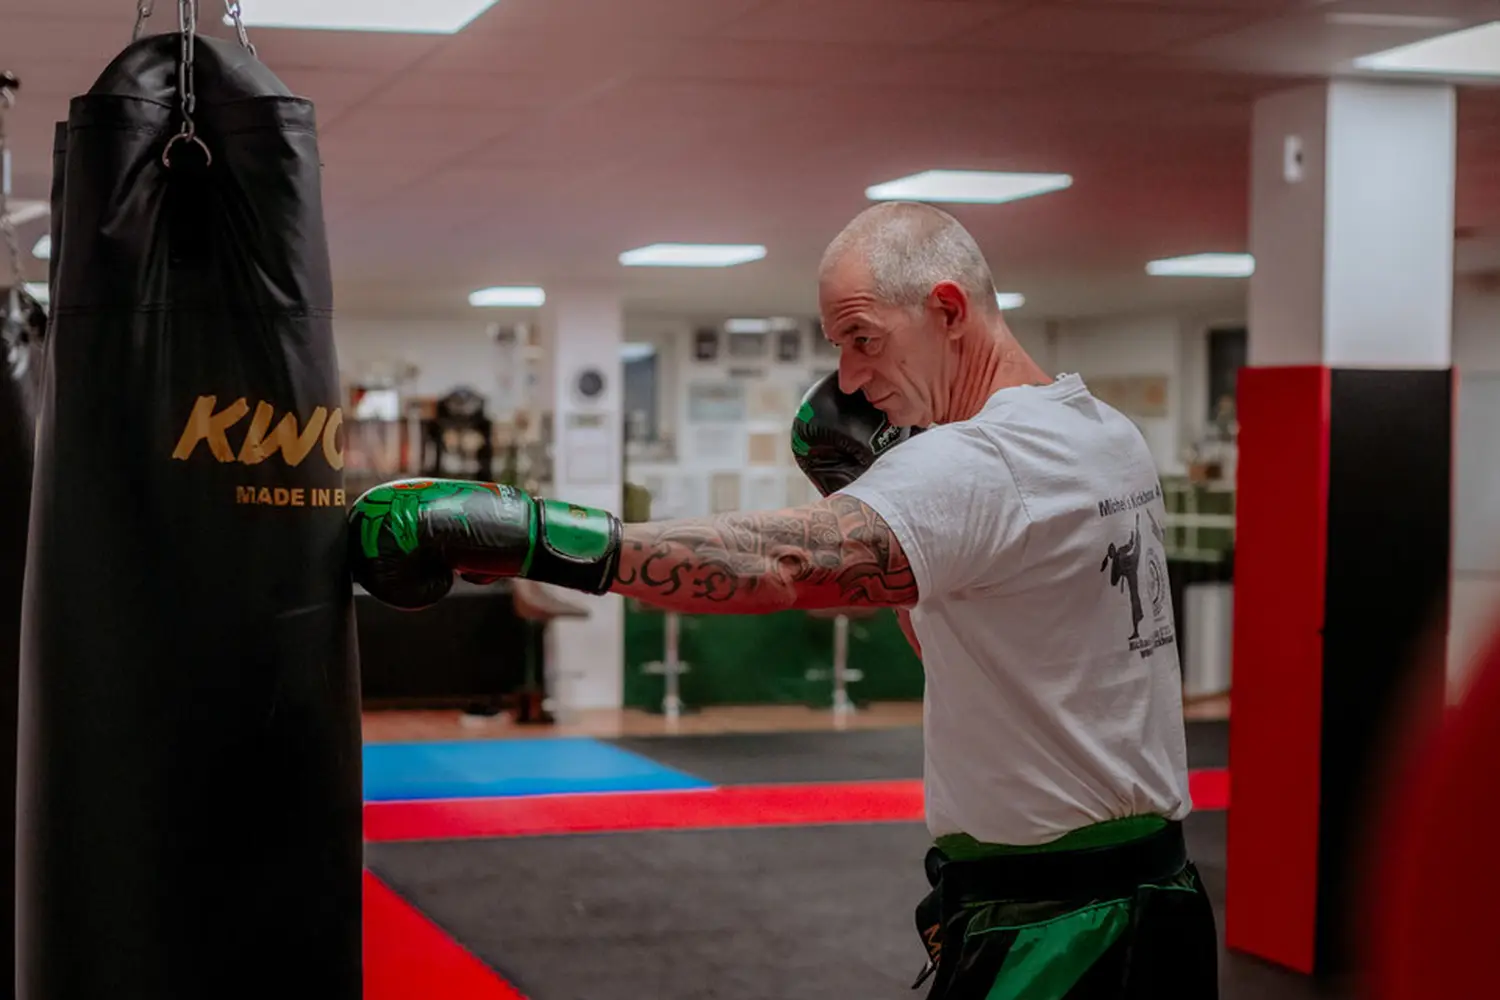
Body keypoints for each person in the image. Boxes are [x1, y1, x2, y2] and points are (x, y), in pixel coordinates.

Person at [348, 201, 1219, 999]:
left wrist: (541, 539)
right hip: (1156, 897)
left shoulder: (978, 463)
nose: (847, 377)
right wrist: (883, 485)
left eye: (864, 339)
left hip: (1059, 930)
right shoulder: (1102, 432)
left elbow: (780, 566)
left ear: (948, 311)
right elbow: (952, 639)